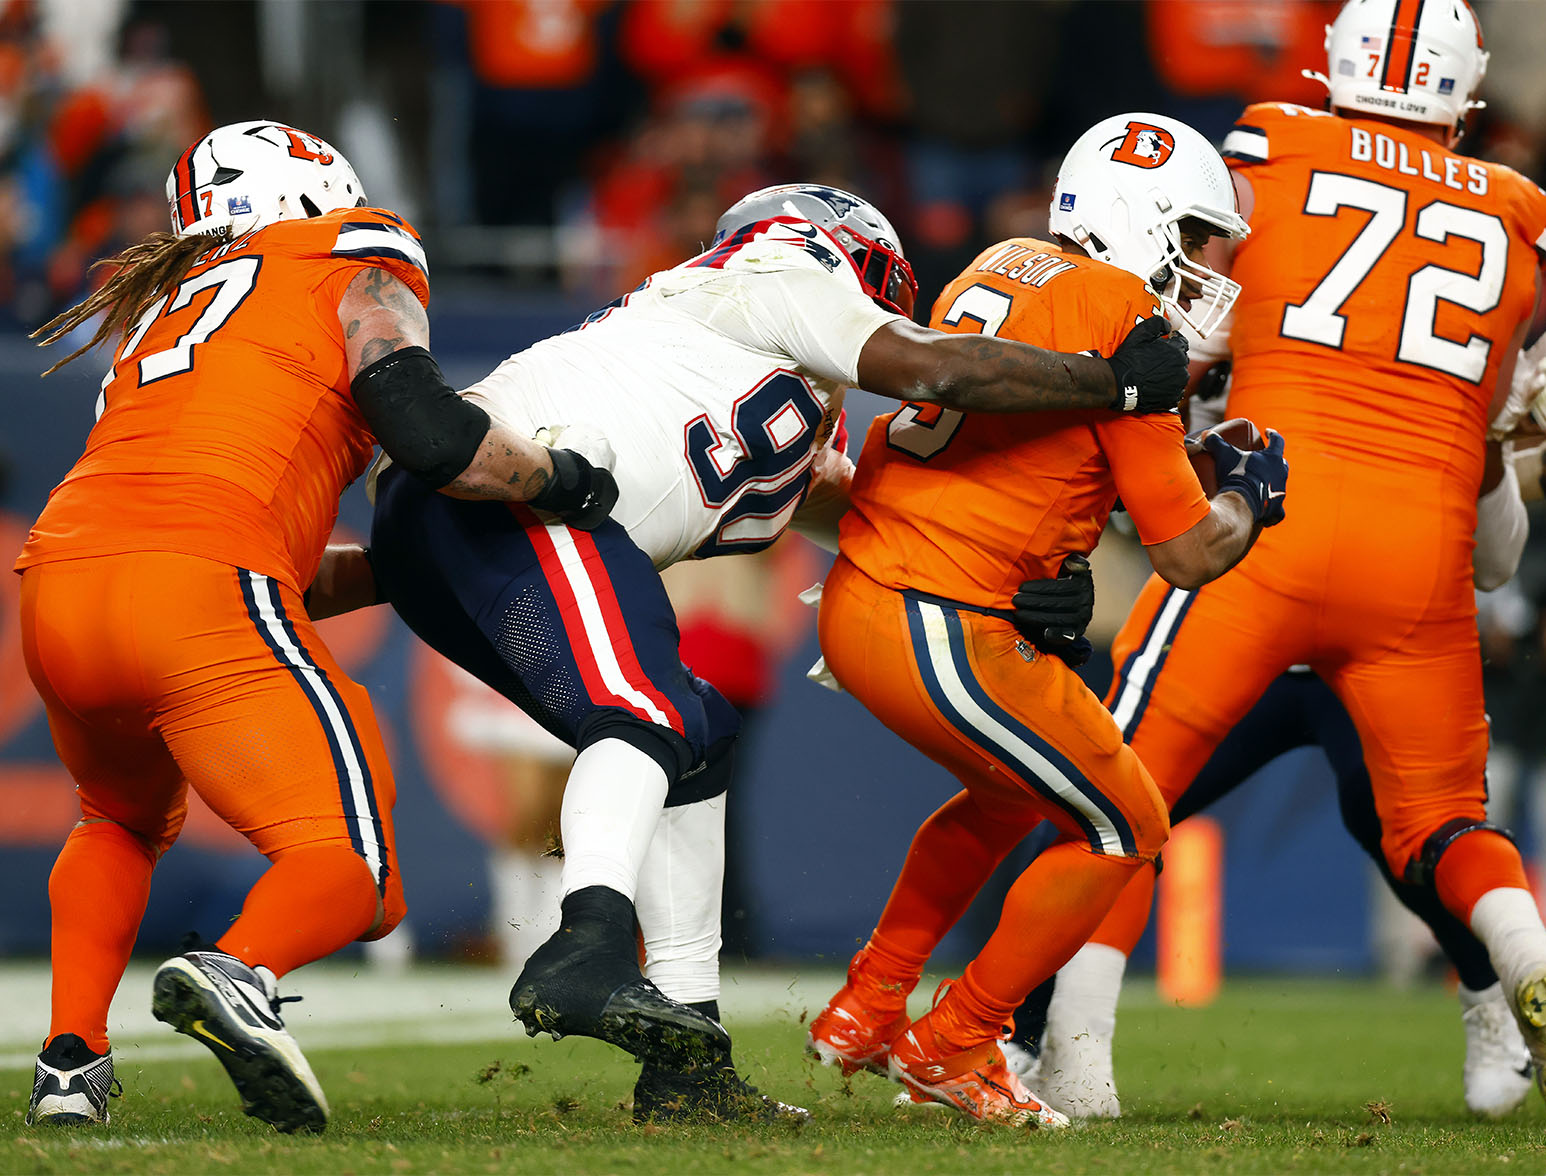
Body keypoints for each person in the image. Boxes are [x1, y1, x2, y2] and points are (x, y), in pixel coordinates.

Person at [352, 182, 1195, 1121]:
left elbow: (877, 518)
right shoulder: (781, 271)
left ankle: (688, 1066)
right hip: (514, 493)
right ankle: (584, 943)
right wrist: (1112, 382)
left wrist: (1026, 578)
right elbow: (935, 370)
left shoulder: (748, 370)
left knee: (699, 738)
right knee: (651, 713)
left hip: (471, 532)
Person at [1000, 0, 1546, 1122]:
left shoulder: (1268, 143)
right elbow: (1493, 554)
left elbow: (1197, 324)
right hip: (1411, 565)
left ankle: (1074, 1062)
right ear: (1465, 91)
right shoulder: (1517, 213)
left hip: (1266, 535)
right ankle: (1527, 953)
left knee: (1117, 793)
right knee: (1443, 822)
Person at [18, 120, 614, 1132]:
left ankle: (72, 1065)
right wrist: (565, 480)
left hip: (57, 583)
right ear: (314, 187)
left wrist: (390, 570)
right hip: (201, 579)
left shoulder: (161, 310)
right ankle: (240, 972)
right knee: (355, 870)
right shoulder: (350, 247)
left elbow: (253, 563)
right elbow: (429, 433)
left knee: (114, 818)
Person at [803, 114, 1287, 1125]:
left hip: (877, 594)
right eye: (1196, 235)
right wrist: (1245, 494)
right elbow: (1188, 552)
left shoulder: (1003, 260)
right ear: (1142, 218)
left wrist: (1058, 548)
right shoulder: (1123, 316)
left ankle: (868, 1002)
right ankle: (957, 1039)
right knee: (1126, 828)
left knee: (1008, 799)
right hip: (937, 614)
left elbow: (1034, 456)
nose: (1205, 261)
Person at [1006, 342, 1546, 1122]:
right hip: (1238, 618)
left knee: (1409, 837)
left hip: (1344, 649)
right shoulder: (1241, 323)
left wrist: (1506, 454)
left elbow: (1473, 528)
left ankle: (1487, 996)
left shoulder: (1393, 361)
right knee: (1115, 804)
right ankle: (1031, 1034)